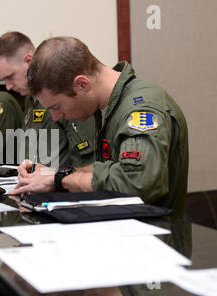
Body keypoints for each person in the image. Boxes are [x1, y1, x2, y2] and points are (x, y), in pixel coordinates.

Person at [10, 36, 189, 219]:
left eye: (57, 107)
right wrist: (50, 173)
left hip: (154, 240)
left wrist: (59, 179)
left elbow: (136, 181)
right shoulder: (107, 108)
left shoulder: (141, 109)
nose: (56, 117)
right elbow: (109, 168)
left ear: (82, 84)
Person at [0, 31, 95, 167]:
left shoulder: (64, 93)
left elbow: (86, 165)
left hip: (62, 185)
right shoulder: (29, 99)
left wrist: (56, 179)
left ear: (28, 61)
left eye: (10, 77)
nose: (8, 86)